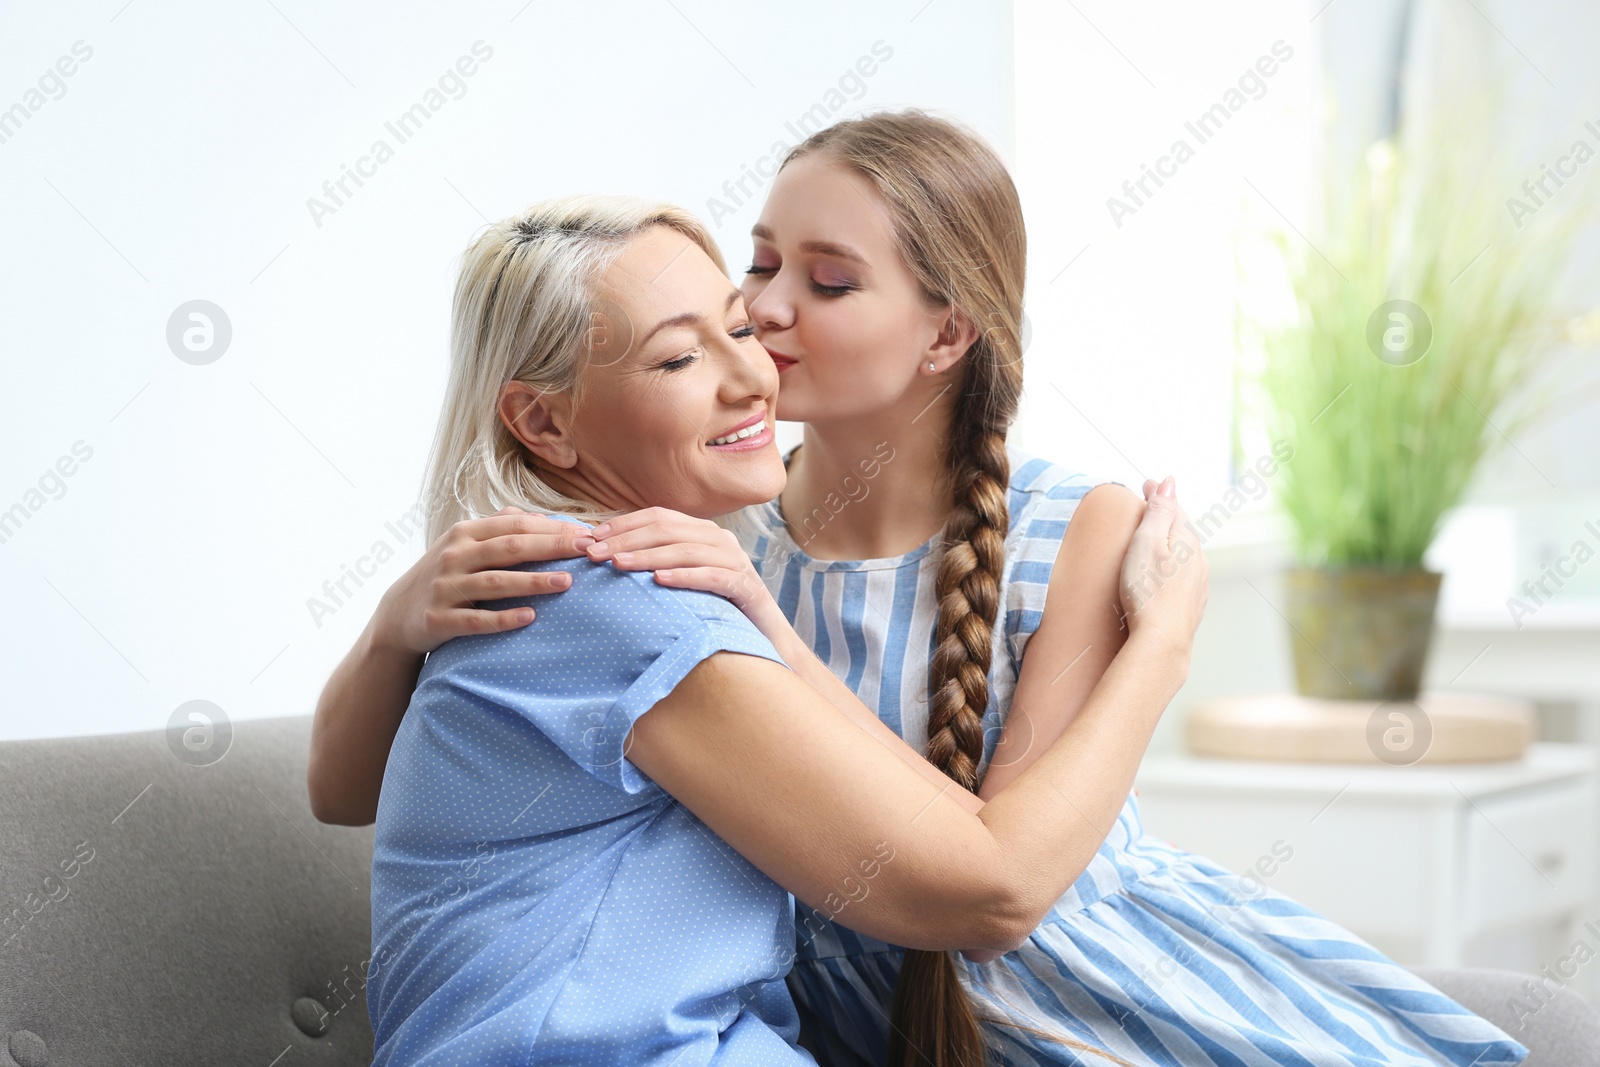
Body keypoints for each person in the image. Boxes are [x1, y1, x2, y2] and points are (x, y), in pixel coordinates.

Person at [323, 110, 1527, 1066]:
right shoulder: (689, 557)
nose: (766, 320)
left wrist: (1162, 639)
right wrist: (393, 623)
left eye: (827, 283)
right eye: (757, 269)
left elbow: (1009, 870)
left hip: (1084, 994)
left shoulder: (1028, 529)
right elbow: (348, 784)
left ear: (945, 335)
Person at [362, 192, 1205, 1066]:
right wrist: (1163, 644)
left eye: (739, 327)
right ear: (544, 421)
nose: (755, 372)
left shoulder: (639, 588)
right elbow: (996, 892)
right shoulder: (628, 611)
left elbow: (974, 833)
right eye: (682, 356)